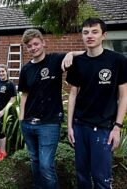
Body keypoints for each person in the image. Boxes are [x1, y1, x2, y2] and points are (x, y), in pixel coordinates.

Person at [18, 28, 83, 189]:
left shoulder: (55, 60)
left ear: (43, 43)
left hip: (49, 123)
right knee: (34, 160)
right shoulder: (26, 69)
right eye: (29, 46)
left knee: (46, 165)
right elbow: (24, 95)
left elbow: (88, 54)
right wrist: (21, 119)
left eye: (36, 44)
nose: (33, 48)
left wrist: (71, 54)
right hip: (28, 124)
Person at [66, 18, 127, 189]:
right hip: (79, 126)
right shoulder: (78, 63)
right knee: (82, 175)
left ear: (103, 35)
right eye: (86, 32)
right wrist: (70, 126)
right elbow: (72, 95)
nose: (89, 36)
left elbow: (124, 96)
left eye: (94, 32)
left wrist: (117, 127)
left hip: (103, 128)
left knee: (102, 178)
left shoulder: (117, 61)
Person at [0, 64, 16, 161]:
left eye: (3, 71)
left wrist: (3, 110)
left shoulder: (10, 84)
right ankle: (0, 149)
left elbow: (13, 99)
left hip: (4, 111)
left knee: (0, 130)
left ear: (6, 72)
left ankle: (3, 152)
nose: (1, 73)